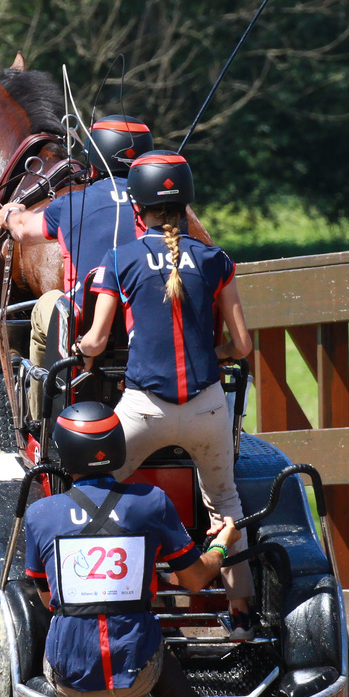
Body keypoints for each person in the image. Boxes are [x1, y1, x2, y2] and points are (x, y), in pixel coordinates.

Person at [75, 149, 256, 638]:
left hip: (143, 409)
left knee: (96, 494)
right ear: (186, 204)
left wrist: (78, 348)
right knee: (226, 505)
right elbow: (242, 345)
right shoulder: (217, 261)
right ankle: (241, 617)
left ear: (138, 208)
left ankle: (108, 604)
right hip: (207, 408)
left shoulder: (121, 259)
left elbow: (95, 340)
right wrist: (212, 353)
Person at [23, 401, 235, 697]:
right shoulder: (152, 501)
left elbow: (48, 600)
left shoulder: (41, 513)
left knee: (89, 631)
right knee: (141, 635)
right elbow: (195, 580)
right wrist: (221, 548)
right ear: (117, 447)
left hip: (73, 684)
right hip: (141, 677)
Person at [0, 115, 152, 412]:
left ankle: (38, 416)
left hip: (89, 332)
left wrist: (9, 213)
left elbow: (22, 231)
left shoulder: (71, 204)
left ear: (93, 162)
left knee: (47, 303)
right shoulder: (166, 211)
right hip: (147, 326)